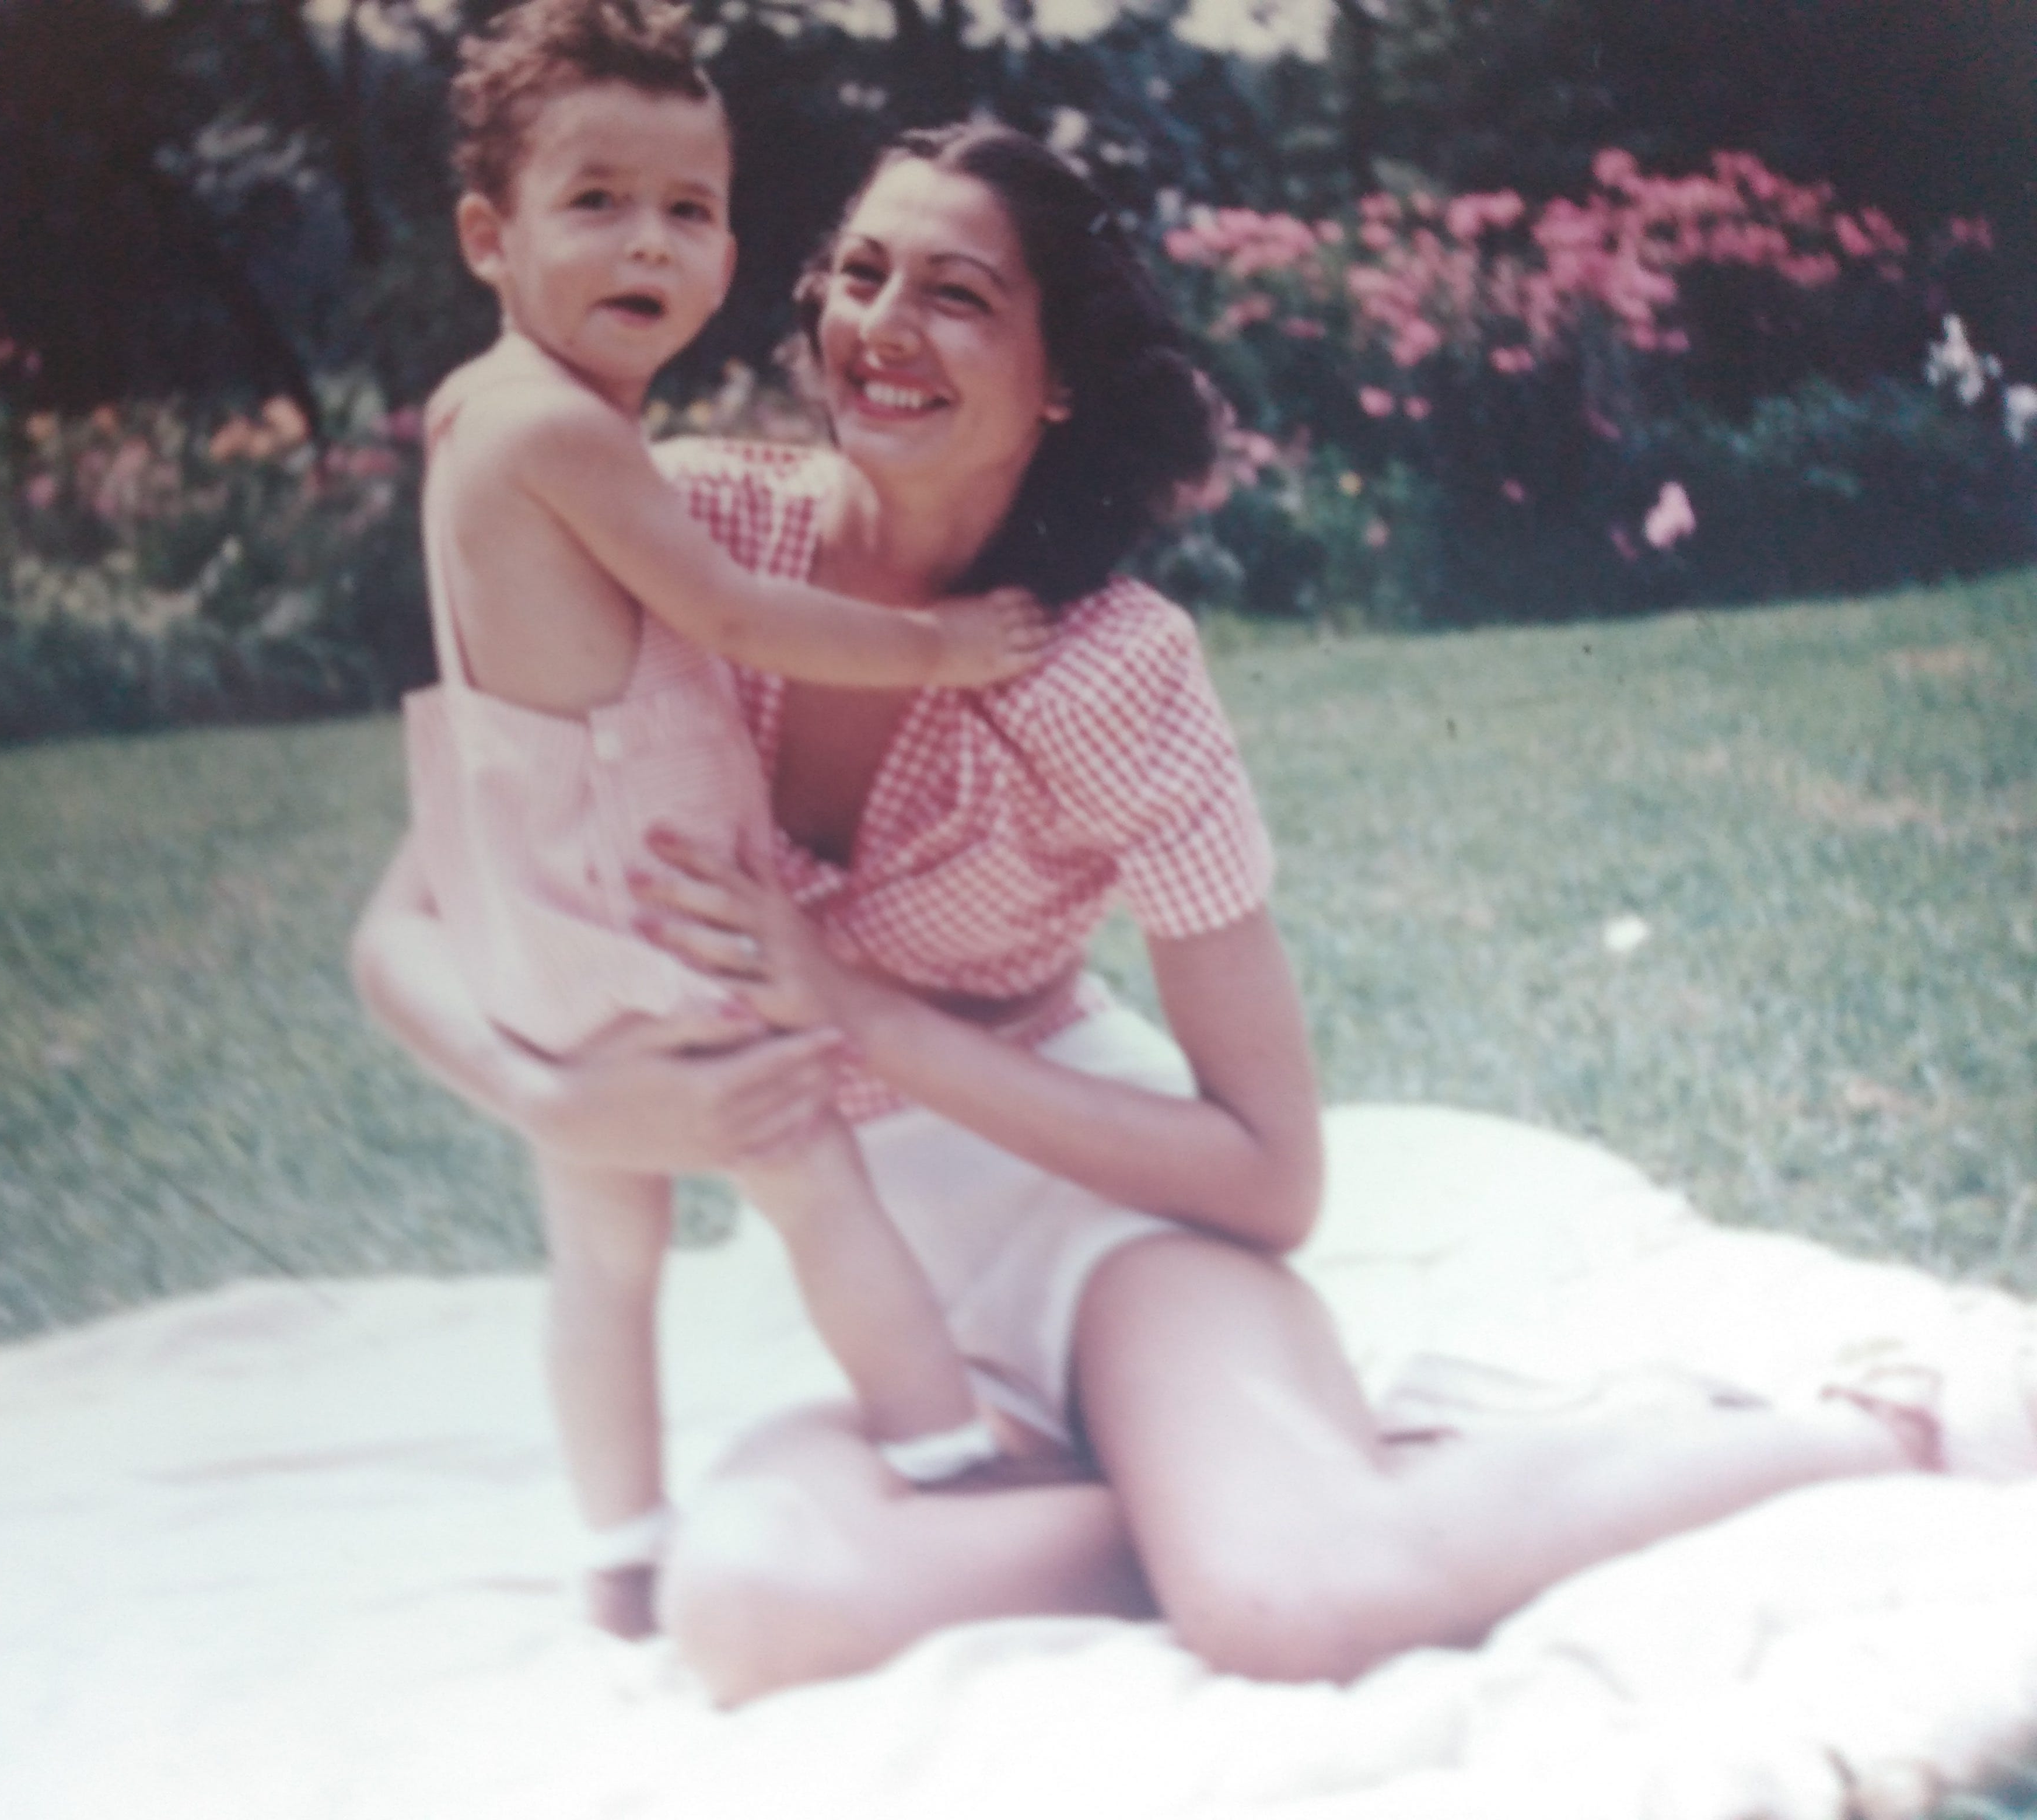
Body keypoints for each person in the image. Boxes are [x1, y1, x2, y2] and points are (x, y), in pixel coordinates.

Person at [356, 119, 1952, 1701]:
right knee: (753, 1607)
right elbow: (404, 924)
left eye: (959, 295)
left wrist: (855, 1013)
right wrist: (565, 1096)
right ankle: (1220, 1503)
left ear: (1061, 378)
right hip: (876, 1294)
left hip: (1104, 1231)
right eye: (860, 272)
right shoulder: (685, 534)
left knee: (1302, 1605)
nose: (881, 327)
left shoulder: (1114, 666)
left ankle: (1851, 1431)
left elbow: (1271, 1176)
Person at [398, 0, 1051, 1641]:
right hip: (654, 904)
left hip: (542, 917)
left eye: (689, 211)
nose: (651, 244)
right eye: (597, 202)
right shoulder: (554, 427)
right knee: (818, 1184)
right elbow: (739, 615)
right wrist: (936, 646)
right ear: (492, 235)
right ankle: (954, 1463)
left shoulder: (484, 413)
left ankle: (620, 1544)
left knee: (603, 1243)